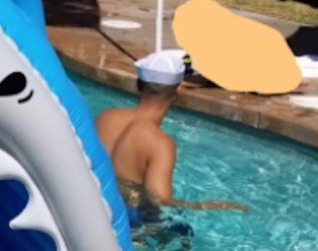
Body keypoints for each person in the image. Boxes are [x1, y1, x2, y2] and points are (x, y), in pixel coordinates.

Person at [95, 50, 248, 214]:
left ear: (138, 84)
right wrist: (205, 206)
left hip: (92, 203)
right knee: (182, 231)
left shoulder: (106, 117)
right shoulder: (160, 144)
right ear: (179, 89)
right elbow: (160, 201)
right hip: (124, 220)